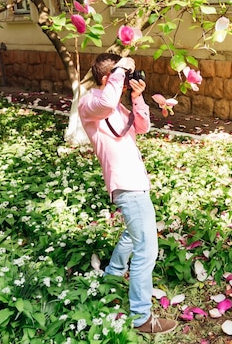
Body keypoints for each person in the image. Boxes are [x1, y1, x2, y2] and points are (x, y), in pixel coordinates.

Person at [78, 53, 177, 334]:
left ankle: (112, 274)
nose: (124, 84)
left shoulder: (118, 109)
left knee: (133, 235)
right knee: (147, 248)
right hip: (126, 184)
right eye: (121, 79)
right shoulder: (91, 104)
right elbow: (107, 100)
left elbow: (143, 127)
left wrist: (137, 97)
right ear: (109, 78)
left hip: (136, 181)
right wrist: (121, 67)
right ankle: (141, 317)